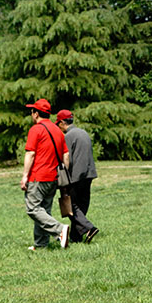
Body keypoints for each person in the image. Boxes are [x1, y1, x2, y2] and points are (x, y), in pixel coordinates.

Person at [21, 99, 70, 250]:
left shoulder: (35, 130)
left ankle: (60, 230)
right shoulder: (58, 130)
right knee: (44, 210)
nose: (31, 114)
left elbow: (30, 154)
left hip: (38, 176)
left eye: (32, 111)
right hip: (53, 177)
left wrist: (24, 176)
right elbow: (66, 156)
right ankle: (41, 244)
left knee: (33, 209)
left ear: (36, 114)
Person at [55, 110, 99, 243]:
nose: (58, 127)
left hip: (75, 176)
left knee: (71, 205)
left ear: (62, 122)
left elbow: (67, 158)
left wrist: (63, 177)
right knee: (82, 204)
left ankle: (89, 228)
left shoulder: (68, 136)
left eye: (58, 124)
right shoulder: (83, 133)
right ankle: (76, 237)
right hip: (88, 174)